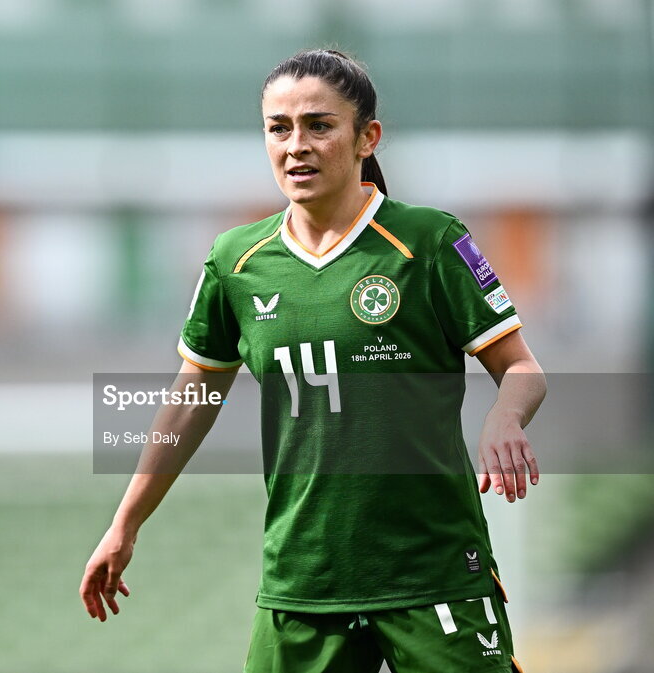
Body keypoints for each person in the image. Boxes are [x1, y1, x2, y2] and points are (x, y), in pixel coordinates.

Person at [79, 48, 546, 673]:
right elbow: (192, 399)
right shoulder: (236, 261)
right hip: (303, 580)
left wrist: (505, 417)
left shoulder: (430, 240)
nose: (296, 144)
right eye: (279, 128)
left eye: (319, 125)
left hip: (432, 574)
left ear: (366, 138)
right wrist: (125, 522)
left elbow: (522, 369)